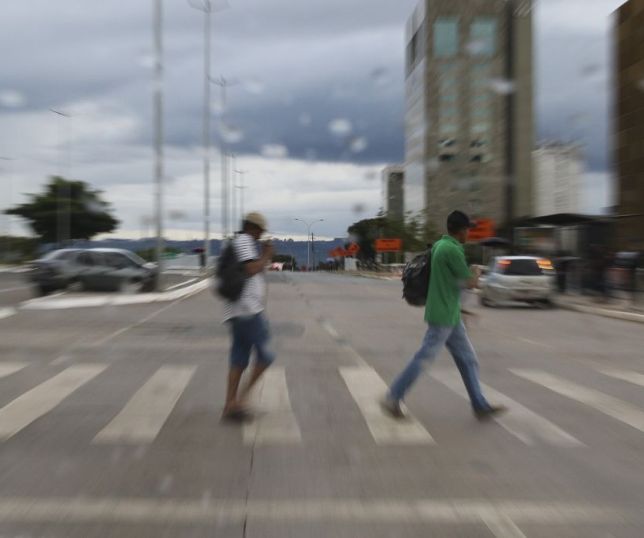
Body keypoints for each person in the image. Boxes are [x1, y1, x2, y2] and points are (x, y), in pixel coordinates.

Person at [381, 210, 506, 421]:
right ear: (461, 230)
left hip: (449, 313)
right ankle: (393, 397)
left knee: (468, 359)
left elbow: (448, 281)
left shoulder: (440, 245)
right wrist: (476, 271)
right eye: (467, 230)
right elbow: (470, 283)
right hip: (443, 315)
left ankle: (479, 405)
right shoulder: (453, 250)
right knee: (424, 358)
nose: (469, 234)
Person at [222, 212, 275, 421]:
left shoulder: (241, 242)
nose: (261, 235)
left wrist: (261, 256)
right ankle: (239, 402)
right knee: (266, 356)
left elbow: (250, 269)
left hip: (237, 309)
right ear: (253, 228)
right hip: (248, 310)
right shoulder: (244, 241)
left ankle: (230, 404)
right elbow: (251, 268)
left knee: (239, 359)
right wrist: (266, 255)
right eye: (260, 231)